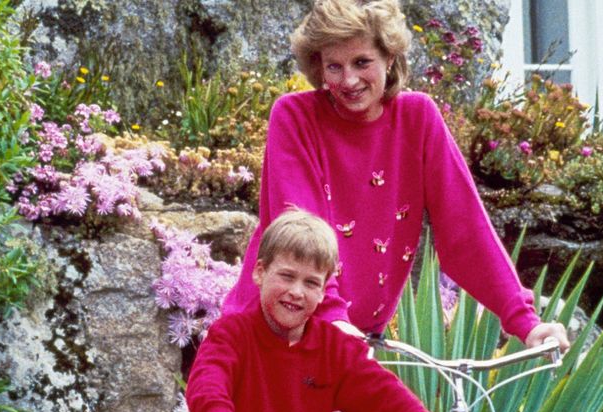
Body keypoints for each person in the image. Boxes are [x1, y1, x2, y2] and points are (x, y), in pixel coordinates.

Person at [221, 0, 570, 350]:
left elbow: (465, 231)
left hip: (354, 340)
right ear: (319, 68)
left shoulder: (417, 118)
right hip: (274, 334)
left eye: (362, 62)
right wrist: (332, 318)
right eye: (334, 67)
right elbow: (298, 234)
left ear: (389, 58)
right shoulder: (295, 117)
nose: (349, 80)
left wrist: (525, 322)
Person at [186, 209, 440, 412]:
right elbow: (209, 380)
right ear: (260, 272)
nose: (296, 291)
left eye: (311, 283)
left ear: (322, 291)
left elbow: (390, 401)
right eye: (287, 276)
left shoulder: (336, 350)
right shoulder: (232, 334)